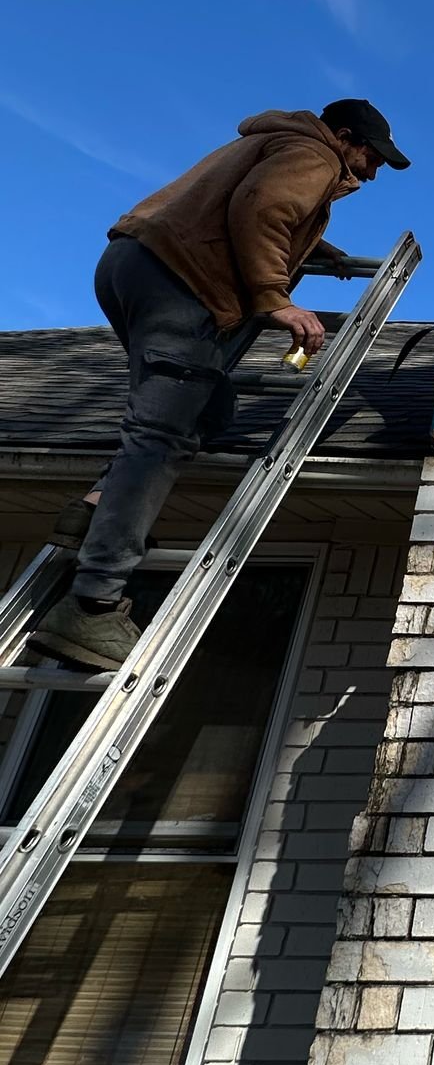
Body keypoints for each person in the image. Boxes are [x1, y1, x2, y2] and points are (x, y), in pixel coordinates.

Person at [29, 100, 410, 674]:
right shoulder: (314, 153)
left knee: (204, 410)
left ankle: (93, 508)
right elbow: (261, 209)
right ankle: (92, 603)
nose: (372, 171)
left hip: (135, 265)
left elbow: (247, 203)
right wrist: (275, 297)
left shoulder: (274, 143)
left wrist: (315, 249)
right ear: (344, 135)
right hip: (184, 283)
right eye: (370, 156)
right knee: (159, 437)